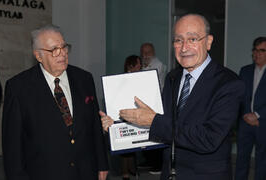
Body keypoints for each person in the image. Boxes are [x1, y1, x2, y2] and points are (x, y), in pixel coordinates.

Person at [117, 14, 245, 180]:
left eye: (192, 39)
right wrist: (118, 127)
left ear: (209, 42)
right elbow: (163, 126)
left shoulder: (229, 83)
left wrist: (152, 120)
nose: (184, 48)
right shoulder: (172, 78)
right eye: (178, 40)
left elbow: (209, 138)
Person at [2, 25, 108, 180]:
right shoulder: (19, 88)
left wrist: (102, 164)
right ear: (38, 56)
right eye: (54, 50)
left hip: (86, 171)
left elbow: (94, 126)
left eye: (64, 47)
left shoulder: (84, 79)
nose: (62, 54)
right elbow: (12, 148)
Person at [101, 55, 141, 180]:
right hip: (123, 115)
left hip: (133, 114)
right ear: (131, 65)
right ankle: (125, 173)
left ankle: (130, 169)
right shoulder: (123, 79)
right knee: (125, 147)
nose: (140, 66)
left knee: (131, 146)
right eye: (138, 64)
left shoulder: (137, 78)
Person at [235, 37, 266, 180]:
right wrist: (245, 115)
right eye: (255, 50)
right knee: (241, 160)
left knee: (262, 162)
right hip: (245, 122)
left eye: (262, 50)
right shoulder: (245, 71)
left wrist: (258, 115)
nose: (257, 53)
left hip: (262, 123)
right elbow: (239, 96)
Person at [140, 43, 166, 174]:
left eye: (148, 52)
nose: (145, 55)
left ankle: (158, 165)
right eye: (143, 52)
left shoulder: (158, 65)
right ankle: (149, 160)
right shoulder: (142, 64)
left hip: (155, 104)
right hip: (144, 104)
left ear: (153, 52)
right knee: (144, 134)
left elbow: (148, 80)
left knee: (155, 135)